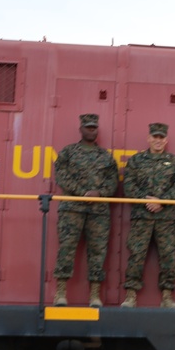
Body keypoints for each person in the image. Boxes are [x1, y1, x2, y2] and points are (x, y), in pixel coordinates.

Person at [52, 113, 119, 307]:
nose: (91, 130)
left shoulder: (106, 157)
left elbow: (113, 182)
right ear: (80, 129)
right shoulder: (68, 152)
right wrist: (83, 193)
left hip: (98, 212)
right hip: (71, 209)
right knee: (66, 249)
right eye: (88, 127)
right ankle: (60, 293)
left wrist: (99, 193)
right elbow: (61, 176)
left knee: (98, 252)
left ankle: (95, 296)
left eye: (94, 127)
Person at [120, 122, 175, 309]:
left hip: (166, 218)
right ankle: (131, 295)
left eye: (161, 137)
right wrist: (146, 200)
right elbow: (129, 185)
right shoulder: (136, 161)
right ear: (149, 138)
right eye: (154, 137)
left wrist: (161, 201)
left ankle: (167, 297)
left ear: (166, 139)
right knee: (136, 254)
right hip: (142, 216)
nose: (158, 140)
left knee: (168, 256)